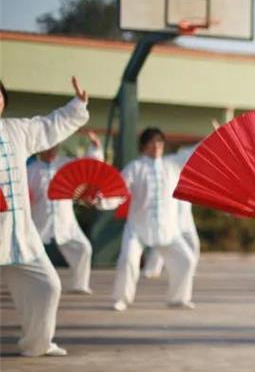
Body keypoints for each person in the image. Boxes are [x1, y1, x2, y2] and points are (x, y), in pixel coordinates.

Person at [0, 77, 90, 356]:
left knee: (48, 286)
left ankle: (36, 344)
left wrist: (77, 105)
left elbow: (49, 126)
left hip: (21, 235)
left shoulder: (17, 130)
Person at [109, 127, 198, 311]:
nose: (156, 145)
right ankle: (122, 299)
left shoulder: (172, 164)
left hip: (168, 229)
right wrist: (102, 201)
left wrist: (216, 136)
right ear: (143, 146)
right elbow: (116, 190)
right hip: (138, 228)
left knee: (186, 260)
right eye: (152, 142)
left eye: (159, 141)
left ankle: (177, 298)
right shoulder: (135, 168)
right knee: (127, 261)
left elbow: (196, 152)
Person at [27, 130, 104, 294]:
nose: (52, 150)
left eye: (55, 146)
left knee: (83, 248)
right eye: (48, 146)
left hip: (65, 220)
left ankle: (79, 284)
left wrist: (95, 147)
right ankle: (28, 286)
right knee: (28, 253)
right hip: (38, 220)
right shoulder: (30, 170)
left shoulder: (66, 164)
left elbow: (89, 166)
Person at [142, 143, 202, 279]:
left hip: (185, 218)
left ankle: (189, 270)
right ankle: (151, 270)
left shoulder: (183, 166)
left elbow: (198, 151)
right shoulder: (169, 163)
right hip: (171, 217)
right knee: (162, 243)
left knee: (193, 244)